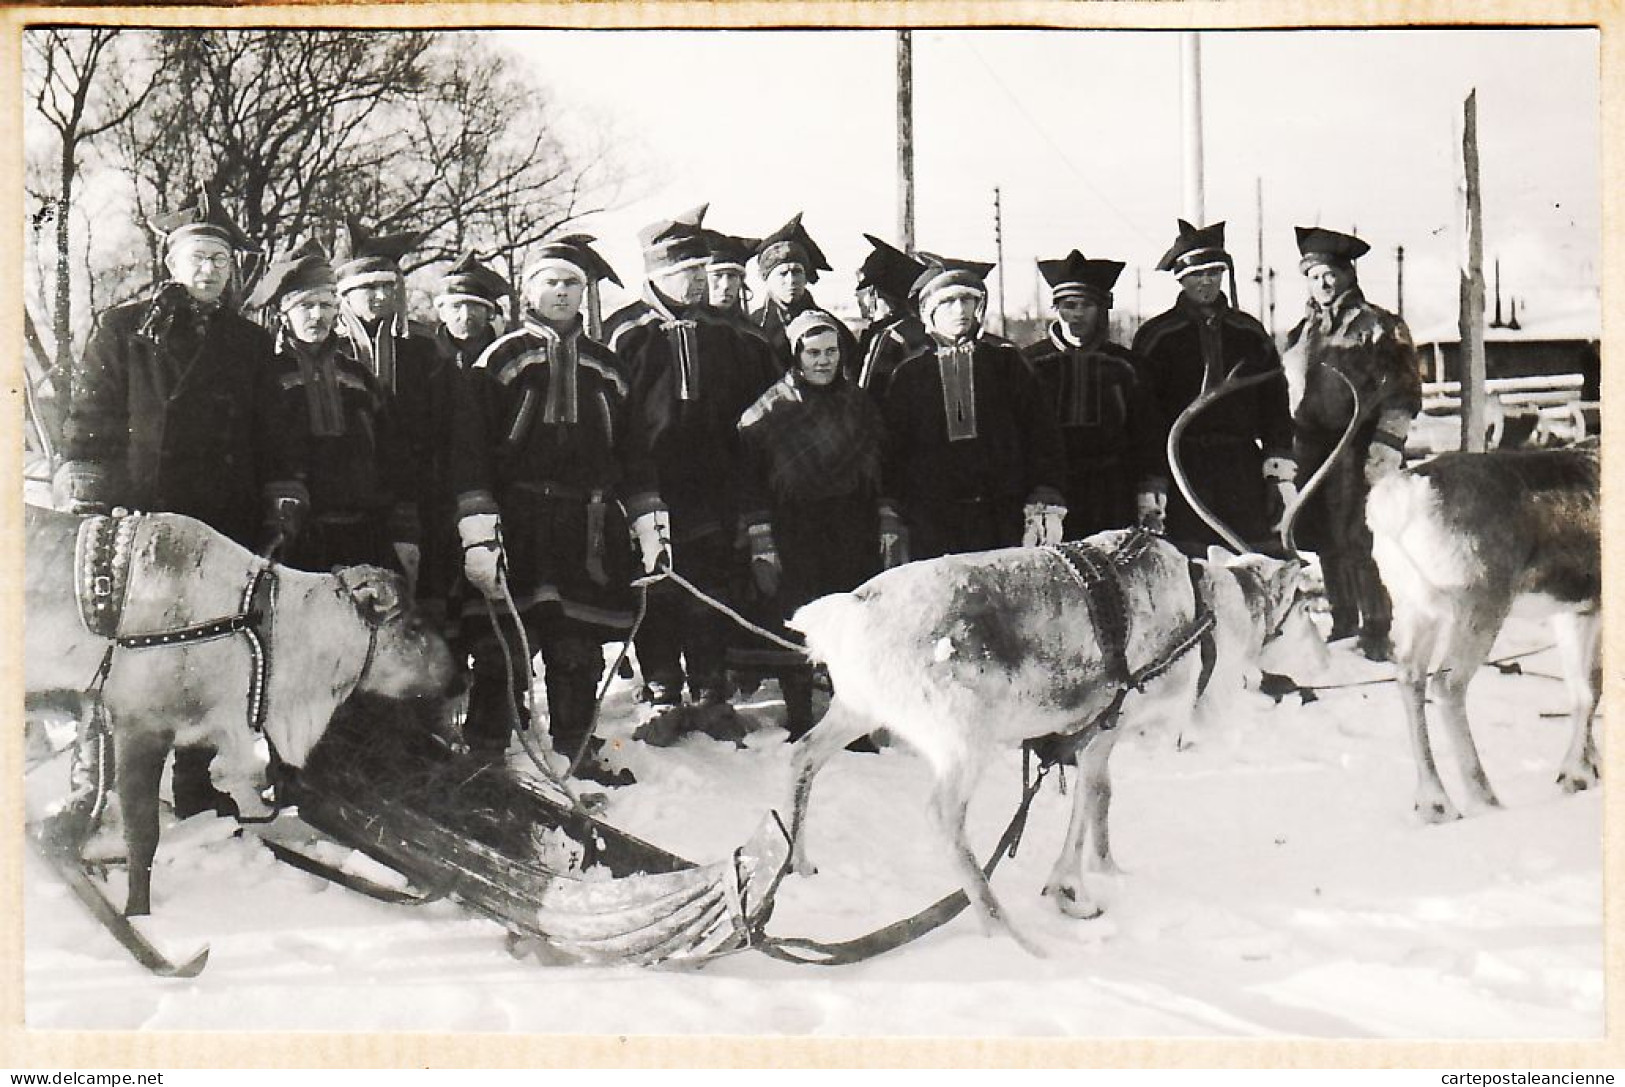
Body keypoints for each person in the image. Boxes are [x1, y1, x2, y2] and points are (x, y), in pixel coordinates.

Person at [55, 186, 277, 820]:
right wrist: (93, 491)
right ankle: (93, 781)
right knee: (124, 645)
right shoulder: (124, 328)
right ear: (171, 261)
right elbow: (92, 416)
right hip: (141, 518)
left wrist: (279, 498)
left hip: (219, 520)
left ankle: (196, 784)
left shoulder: (250, 344)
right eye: (197, 256)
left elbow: (271, 434)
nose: (208, 270)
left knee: (207, 646)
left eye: (220, 259)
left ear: (233, 269)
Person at [452, 235, 637, 785]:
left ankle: (576, 747)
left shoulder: (607, 367)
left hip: (586, 524)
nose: (561, 291)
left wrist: (650, 522)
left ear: (585, 292)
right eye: (551, 281)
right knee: (501, 642)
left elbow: (633, 452)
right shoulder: (500, 360)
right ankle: (485, 752)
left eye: (571, 283)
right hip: (517, 520)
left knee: (574, 641)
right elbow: (470, 451)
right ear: (530, 289)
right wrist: (479, 531)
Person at [607, 214, 780, 726]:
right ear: (657, 274)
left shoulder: (729, 335)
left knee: (710, 580)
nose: (699, 280)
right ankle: (661, 681)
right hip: (648, 485)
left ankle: (709, 681)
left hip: (714, 483)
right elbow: (613, 416)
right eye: (687, 269)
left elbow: (754, 411)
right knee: (655, 581)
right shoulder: (625, 334)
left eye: (703, 269)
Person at [735, 309, 886, 739]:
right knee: (800, 616)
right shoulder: (767, 412)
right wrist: (762, 538)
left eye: (832, 351)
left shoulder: (860, 405)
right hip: (794, 527)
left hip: (849, 525)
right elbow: (751, 483)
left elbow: (880, 472)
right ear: (796, 355)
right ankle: (800, 715)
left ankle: (850, 720)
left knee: (848, 621)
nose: (823, 361)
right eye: (813, 352)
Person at [1284, 226, 1422, 661]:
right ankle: (1343, 621)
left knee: (1360, 537)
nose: (1323, 283)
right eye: (1313, 276)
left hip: (1358, 448)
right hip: (1312, 449)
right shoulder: (1300, 333)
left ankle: (1377, 627)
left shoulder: (1378, 326)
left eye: (1330, 274)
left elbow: (1402, 392)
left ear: (1348, 274)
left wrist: (1386, 447)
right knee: (1323, 536)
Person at [877, 257, 1067, 562]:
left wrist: (1044, 493)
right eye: (949, 302)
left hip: (1001, 511)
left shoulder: (1006, 362)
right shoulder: (909, 374)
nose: (961, 310)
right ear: (930, 311)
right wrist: (891, 510)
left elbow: (1040, 431)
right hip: (932, 516)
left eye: (968, 300)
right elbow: (893, 449)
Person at [251, 237, 416, 575]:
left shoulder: (357, 377)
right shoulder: (267, 374)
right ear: (284, 313)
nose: (318, 316)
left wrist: (403, 528)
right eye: (306, 306)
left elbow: (393, 455)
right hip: (294, 534)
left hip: (365, 532)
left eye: (326, 306)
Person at [1132, 220, 1294, 555]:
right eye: (1196, 274)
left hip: (1241, 468)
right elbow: (1144, 417)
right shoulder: (1157, 337)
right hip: (1183, 468)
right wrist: (1152, 479)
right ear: (1181, 278)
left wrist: (1278, 468)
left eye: (1213, 273)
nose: (1206, 281)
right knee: (1192, 561)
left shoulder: (1249, 333)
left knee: (1248, 559)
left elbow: (1275, 404)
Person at [334, 218, 443, 611]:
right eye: (367, 288)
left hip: (417, 495)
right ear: (345, 293)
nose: (379, 296)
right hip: (346, 498)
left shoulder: (423, 349)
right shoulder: (330, 351)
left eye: (387, 287)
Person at [1023, 250, 1165, 538]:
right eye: (1068, 305)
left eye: (1086, 305)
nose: (1076, 314)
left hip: (1113, 489)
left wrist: (1150, 486)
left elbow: (1147, 432)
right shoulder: (1029, 364)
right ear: (1056, 308)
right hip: (1052, 491)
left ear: (1101, 309)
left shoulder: (1127, 366)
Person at [749, 213, 858, 374]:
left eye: (797, 271)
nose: (791, 280)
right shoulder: (754, 327)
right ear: (766, 278)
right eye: (783, 273)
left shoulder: (832, 326)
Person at [853, 233, 931, 397]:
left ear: (875, 293)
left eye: (861, 289)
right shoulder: (926, 329)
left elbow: (867, 396)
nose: (856, 296)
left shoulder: (889, 338)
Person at [432, 250, 511, 371]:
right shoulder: (427, 356)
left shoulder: (509, 354)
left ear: (489, 313)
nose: (466, 315)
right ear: (442, 313)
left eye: (474, 306)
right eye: (456, 306)